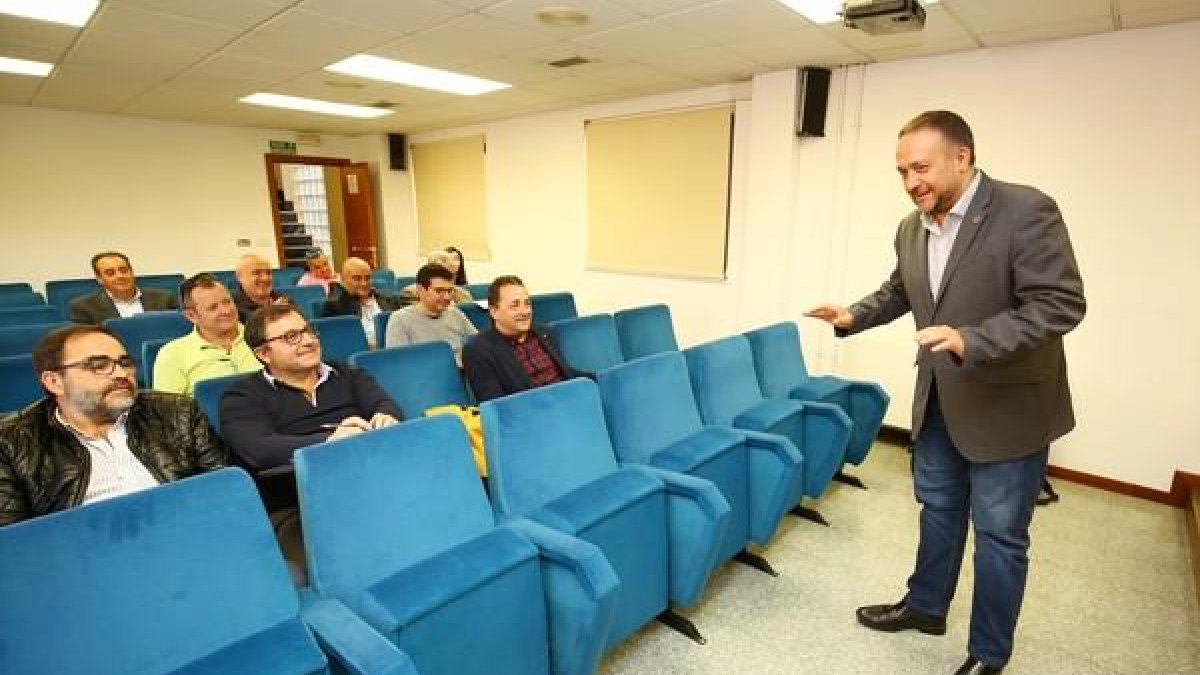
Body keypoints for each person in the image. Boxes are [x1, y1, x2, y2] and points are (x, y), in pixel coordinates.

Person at [805, 111, 1085, 675]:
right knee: (937, 510)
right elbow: (901, 290)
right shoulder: (913, 225)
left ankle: (988, 653)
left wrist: (971, 339)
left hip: (1008, 408)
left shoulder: (1025, 210)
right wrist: (854, 315)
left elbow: (1059, 304)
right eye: (903, 171)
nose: (911, 181)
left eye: (921, 167)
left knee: (1001, 536)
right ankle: (927, 606)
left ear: (962, 157)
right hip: (937, 400)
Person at [0, 325, 226, 526]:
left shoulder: (177, 412)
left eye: (124, 363)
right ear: (54, 382)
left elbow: (223, 492)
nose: (120, 374)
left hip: (188, 533)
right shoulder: (12, 442)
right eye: (99, 365)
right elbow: (14, 545)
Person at [219, 304, 403, 475]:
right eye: (291, 337)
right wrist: (331, 440)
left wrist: (385, 417)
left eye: (308, 331)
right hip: (302, 488)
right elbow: (260, 449)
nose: (308, 341)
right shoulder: (241, 397)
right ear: (264, 353)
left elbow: (383, 403)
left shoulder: (346, 373)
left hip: (369, 468)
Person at [462, 275, 589, 402]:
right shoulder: (477, 351)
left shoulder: (544, 332)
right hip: (531, 413)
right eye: (515, 306)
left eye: (527, 304)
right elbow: (496, 406)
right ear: (494, 311)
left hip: (569, 400)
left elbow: (567, 373)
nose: (525, 311)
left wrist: (601, 379)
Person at [152, 273, 262, 395]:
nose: (226, 311)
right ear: (191, 316)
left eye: (227, 302)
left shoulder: (263, 336)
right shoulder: (171, 355)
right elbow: (167, 411)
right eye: (213, 307)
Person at [384, 263, 478, 366]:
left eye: (449, 291)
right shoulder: (400, 319)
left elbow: (478, 345)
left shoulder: (455, 313)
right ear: (420, 290)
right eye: (439, 291)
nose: (447, 297)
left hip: (462, 372)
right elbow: (399, 363)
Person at [68, 251, 179, 324]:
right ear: (99, 279)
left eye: (123, 270)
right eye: (110, 273)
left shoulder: (165, 298)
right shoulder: (84, 307)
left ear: (131, 272)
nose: (120, 276)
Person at [320, 257, 402, 348]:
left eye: (367, 278)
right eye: (357, 278)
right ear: (343, 280)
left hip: (390, 348)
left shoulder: (388, 299)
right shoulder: (335, 305)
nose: (364, 283)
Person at [398, 250, 472, 305]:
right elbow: (418, 319)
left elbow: (468, 317)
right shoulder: (411, 293)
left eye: (449, 274)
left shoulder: (463, 294)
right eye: (440, 273)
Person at [231, 253, 290, 322]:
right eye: (257, 273)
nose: (265, 278)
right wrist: (273, 312)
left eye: (268, 273)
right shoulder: (232, 306)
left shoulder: (284, 300)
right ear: (239, 277)